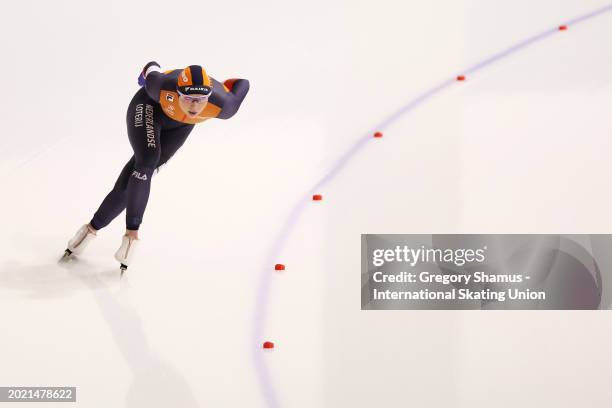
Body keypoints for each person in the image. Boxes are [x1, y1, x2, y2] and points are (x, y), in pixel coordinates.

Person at [63, 62, 250, 271]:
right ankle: (131, 235)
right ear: (177, 92)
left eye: (200, 100)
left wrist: (224, 86)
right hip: (148, 107)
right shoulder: (160, 86)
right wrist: (145, 76)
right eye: (188, 98)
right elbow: (151, 66)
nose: (194, 107)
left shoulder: (224, 106)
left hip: (181, 126)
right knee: (146, 161)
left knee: (139, 175)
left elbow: (243, 84)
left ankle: (90, 230)